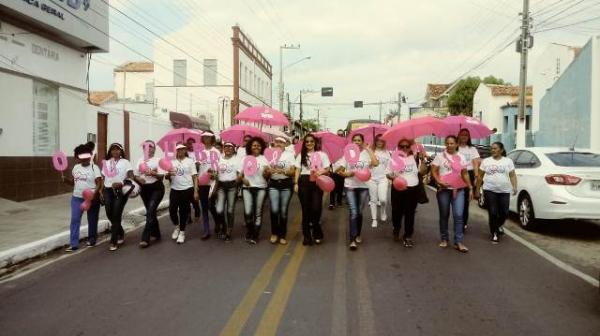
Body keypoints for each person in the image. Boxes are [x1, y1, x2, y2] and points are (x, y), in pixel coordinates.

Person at [335, 134, 378, 251]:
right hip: (350, 186)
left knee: (359, 212)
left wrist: (368, 149)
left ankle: (358, 233)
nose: (357, 142)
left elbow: (375, 163)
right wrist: (345, 173)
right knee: (353, 212)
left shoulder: (366, 154)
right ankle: (352, 239)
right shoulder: (347, 154)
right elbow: (339, 170)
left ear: (363, 141)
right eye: (354, 140)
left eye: (359, 140)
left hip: (364, 186)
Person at [431, 135, 473, 253]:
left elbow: (465, 174)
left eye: (452, 143)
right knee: (444, 214)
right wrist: (439, 181)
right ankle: (444, 239)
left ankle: (458, 242)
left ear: (456, 144)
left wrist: (470, 187)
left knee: (459, 215)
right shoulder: (440, 156)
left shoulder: (461, 157)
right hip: (443, 190)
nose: (449, 145)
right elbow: (433, 170)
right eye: (447, 143)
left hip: (459, 190)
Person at [386, 139, 427, 247]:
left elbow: (422, 172)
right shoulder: (394, 159)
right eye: (402, 146)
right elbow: (387, 174)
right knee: (396, 211)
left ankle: (408, 236)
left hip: (412, 188)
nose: (404, 148)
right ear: (398, 147)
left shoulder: (414, 157)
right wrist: (393, 176)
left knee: (410, 213)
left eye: (407, 146)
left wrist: (422, 160)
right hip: (398, 188)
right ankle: (396, 228)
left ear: (410, 147)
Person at [62, 144, 102, 251]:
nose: (84, 158)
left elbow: (99, 183)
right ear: (77, 157)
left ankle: (92, 239)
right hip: (77, 198)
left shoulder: (94, 168)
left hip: (92, 199)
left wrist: (94, 193)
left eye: (86, 156)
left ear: (90, 156)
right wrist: (66, 180)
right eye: (81, 156)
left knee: (92, 220)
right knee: (75, 219)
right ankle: (74, 244)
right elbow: (75, 183)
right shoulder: (76, 168)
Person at [475, 142, 517, 244]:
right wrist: (477, 190)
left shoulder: (508, 161)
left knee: (505, 212)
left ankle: (498, 225)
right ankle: (494, 233)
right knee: (493, 212)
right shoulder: (486, 161)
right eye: (492, 149)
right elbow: (480, 176)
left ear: (501, 150)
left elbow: (512, 175)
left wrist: (515, 186)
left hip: (504, 191)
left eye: (495, 148)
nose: (493, 150)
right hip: (489, 190)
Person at [294, 134, 331, 246]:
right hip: (304, 181)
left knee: (316, 208)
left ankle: (317, 232)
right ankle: (307, 236)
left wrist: (321, 172)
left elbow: (327, 168)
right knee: (306, 210)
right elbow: (297, 170)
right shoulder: (301, 155)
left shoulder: (322, 154)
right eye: (307, 142)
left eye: (311, 141)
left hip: (317, 181)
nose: (309, 143)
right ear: (304, 143)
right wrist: (296, 183)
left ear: (315, 142)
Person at [102, 143, 137, 251]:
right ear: (110, 152)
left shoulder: (125, 162)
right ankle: (120, 231)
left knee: (116, 213)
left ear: (121, 151)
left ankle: (114, 241)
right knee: (109, 212)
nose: (115, 151)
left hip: (121, 190)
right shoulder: (106, 163)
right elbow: (104, 178)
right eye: (113, 150)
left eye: (117, 149)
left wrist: (121, 183)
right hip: (108, 190)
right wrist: (100, 191)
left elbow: (131, 176)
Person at [166, 143, 199, 244]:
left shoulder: (190, 161)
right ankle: (177, 227)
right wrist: (168, 174)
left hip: (187, 188)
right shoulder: (172, 162)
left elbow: (194, 176)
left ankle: (182, 232)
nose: (180, 151)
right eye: (178, 149)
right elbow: (166, 176)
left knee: (183, 212)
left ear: (185, 150)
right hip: (175, 189)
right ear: (176, 151)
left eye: (182, 149)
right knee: (172, 210)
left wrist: (196, 191)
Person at [239, 137, 270, 244]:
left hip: (261, 187)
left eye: (258, 145)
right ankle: (250, 230)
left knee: (257, 213)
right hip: (247, 188)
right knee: (248, 212)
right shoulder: (245, 158)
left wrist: (267, 172)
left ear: (262, 147)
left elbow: (267, 176)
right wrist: (243, 180)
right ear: (250, 147)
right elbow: (239, 174)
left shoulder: (264, 159)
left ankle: (255, 235)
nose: (256, 147)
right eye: (254, 145)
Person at [266, 137, 296, 245]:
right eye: (277, 142)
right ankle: (274, 233)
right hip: (273, 183)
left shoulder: (289, 155)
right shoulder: (269, 154)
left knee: (283, 211)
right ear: (273, 143)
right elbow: (266, 172)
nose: (278, 144)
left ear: (285, 144)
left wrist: (283, 171)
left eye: (281, 142)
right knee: (274, 210)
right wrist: (268, 171)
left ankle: (282, 235)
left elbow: (293, 171)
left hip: (286, 184)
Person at [135, 140, 165, 248]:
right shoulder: (139, 161)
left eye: (150, 146)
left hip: (157, 188)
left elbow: (162, 176)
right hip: (145, 189)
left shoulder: (158, 160)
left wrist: (152, 172)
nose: (148, 148)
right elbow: (136, 175)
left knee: (151, 210)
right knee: (150, 211)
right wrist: (139, 178)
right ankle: (156, 233)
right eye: (145, 146)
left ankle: (145, 238)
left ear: (154, 148)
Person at [214, 142, 241, 242]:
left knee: (230, 210)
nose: (228, 148)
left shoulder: (237, 159)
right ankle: (224, 226)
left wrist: (239, 179)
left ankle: (228, 232)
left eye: (230, 146)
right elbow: (215, 172)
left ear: (234, 148)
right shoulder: (219, 158)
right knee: (219, 210)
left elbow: (239, 173)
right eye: (226, 146)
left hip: (232, 187)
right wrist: (213, 174)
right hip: (221, 186)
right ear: (223, 148)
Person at [197, 131, 220, 240]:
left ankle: (217, 222)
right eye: (204, 137)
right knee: (204, 207)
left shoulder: (216, 151)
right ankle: (206, 230)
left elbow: (219, 167)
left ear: (212, 138)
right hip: (201, 182)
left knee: (211, 205)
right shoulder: (199, 151)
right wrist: (196, 165)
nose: (206, 139)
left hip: (212, 182)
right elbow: (195, 168)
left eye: (209, 137)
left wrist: (215, 173)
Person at [458, 128, 481, 232]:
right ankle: (458, 220)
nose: (464, 137)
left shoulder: (472, 149)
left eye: (466, 135)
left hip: (469, 174)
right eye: (462, 134)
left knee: (466, 201)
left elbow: (476, 163)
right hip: (457, 175)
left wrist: (476, 177)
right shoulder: (455, 147)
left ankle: (463, 223)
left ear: (469, 137)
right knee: (457, 200)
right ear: (458, 135)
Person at [368, 134, 391, 227]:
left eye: (381, 140)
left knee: (383, 199)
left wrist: (389, 178)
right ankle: (374, 219)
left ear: (384, 142)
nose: (379, 142)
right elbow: (366, 165)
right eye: (377, 140)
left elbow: (389, 166)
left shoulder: (387, 152)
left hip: (383, 178)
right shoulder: (370, 151)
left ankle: (383, 210)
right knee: (373, 200)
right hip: (371, 179)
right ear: (375, 141)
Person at [329, 129, 346, 210]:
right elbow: (329, 158)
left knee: (340, 188)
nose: (340, 136)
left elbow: (345, 160)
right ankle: (331, 203)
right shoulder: (332, 146)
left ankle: (339, 201)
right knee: (332, 188)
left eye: (341, 134)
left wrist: (339, 170)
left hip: (341, 171)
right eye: (338, 134)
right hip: (333, 171)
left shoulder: (345, 146)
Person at [185, 138, 201, 223]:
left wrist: (196, 164)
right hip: (186, 178)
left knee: (194, 197)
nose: (191, 145)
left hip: (195, 178)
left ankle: (197, 210)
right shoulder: (184, 153)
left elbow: (199, 165)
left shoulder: (197, 153)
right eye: (189, 143)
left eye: (192, 143)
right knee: (186, 199)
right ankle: (188, 216)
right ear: (186, 144)